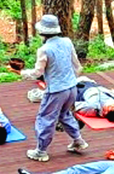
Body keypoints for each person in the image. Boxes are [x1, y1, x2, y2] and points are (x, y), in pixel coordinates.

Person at [21, 14, 89, 162]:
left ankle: (41, 151)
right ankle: (78, 140)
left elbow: (38, 72)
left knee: (45, 118)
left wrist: (23, 73)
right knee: (65, 115)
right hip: (71, 87)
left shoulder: (44, 49)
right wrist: (71, 80)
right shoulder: (67, 42)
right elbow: (77, 66)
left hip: (56, 91)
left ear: (41, 32)